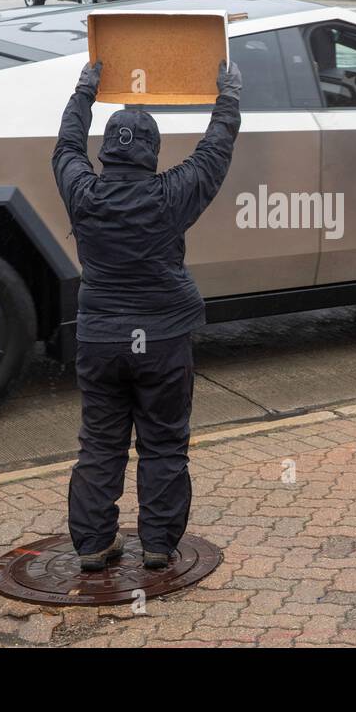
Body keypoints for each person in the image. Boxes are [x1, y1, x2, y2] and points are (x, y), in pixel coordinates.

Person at [53, 59, 242, 572]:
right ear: (154, 154)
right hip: (162, 338)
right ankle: (158, 544)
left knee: (100, 443)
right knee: (163, 443)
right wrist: (226, 97)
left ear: (107, 149)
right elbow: (214, 152)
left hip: (100, 339)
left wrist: (84, 93)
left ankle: (93, 543)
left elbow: (67, 148)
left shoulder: (83, 192)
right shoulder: (172, 194)